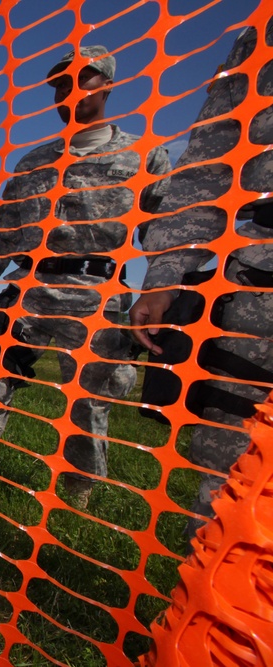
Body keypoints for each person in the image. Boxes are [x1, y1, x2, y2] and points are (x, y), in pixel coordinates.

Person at [0, 45, 172, 514]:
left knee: (88, 401)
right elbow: (2, 237)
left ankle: (81, 485)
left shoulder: (145, 156)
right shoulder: (32, 163)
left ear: (108, 86)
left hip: (98, 298)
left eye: (83, 80)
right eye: (60, 84)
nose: (69, 91)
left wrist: (161, 291)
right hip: (30, 290)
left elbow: (166, 233)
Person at [130, 19, 273, 524]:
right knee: (230, 488)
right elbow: (208, 167)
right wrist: (165, 276)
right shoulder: (261, 38)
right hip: (260, 293)